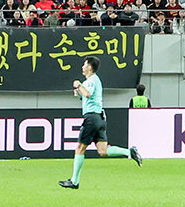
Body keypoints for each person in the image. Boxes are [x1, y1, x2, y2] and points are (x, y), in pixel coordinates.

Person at [58, 56, 143, 189]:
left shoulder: (92, 80)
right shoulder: (90, 81)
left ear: (90, 67)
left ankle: (74, 181)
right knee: (103, 150)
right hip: (99, 118)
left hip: (91, 118)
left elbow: (88, 94)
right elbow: (84, 96)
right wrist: (79, 92)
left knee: (80, 149)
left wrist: (78, 85)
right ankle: (129, 152)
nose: (82, 67)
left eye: (84, 65)